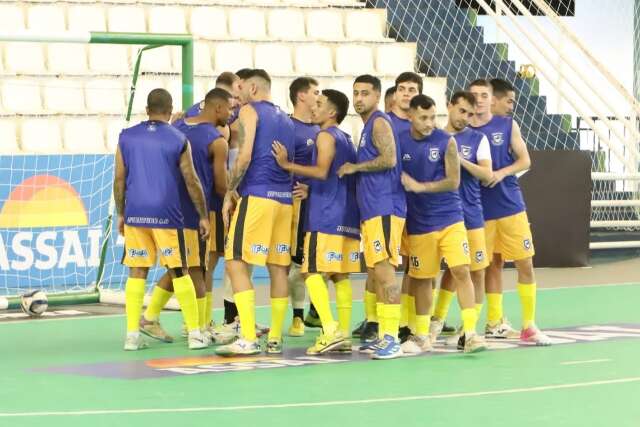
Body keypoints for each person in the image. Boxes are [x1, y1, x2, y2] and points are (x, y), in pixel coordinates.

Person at [113, 88, 210, 350]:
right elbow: (191, 180)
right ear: (170, 111)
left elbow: (119, 179)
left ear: (147, 110)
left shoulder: (126, 137)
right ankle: (195, 334)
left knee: (137, 271)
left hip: (136, 213)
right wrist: (202, 216)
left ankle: (132, 336)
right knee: (180, 271)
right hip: (167, 214)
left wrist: (122, 213)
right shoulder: (178, 138)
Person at [139, 88, 233, 345]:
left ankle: (175, 321)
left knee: (185, 267)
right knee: (199, 268)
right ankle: (196, 327)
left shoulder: (177, 125)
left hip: (170, 208)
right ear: (217, 108)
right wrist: (238, 196)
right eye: (229, 108)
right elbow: (221, 186)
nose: (231, 113)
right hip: (203, 210)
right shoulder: (217, 141)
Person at [215, 69, 296, 356]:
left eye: (239, 87)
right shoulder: (286, 118)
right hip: (283, 200)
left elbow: (245, 155)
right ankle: (274, 337)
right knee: (278, 268)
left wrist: (229, 192)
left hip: (258, 196)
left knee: (235, 261)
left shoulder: (250, 111)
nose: (236, 93)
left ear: (252, 87)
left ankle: (247, 336)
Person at [273, 89, 359, 354]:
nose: (314, 107)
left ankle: (330, 331)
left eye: (319, 104)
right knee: (339, 275)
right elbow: (336, 175)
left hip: (325, 216)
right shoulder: (346, 138)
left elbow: (321, 171)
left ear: (331, 112)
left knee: (309, 271)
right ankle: (342, 333)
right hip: (347, 215)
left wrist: (288, 165)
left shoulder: (324, 135)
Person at [399, 94, 487, 354]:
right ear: (411, 116)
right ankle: (422, 336)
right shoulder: (400, 141)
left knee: (461, 270)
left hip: (450, 217)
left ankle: (470, 333)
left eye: (432, 117)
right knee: (423, 279)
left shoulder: (445, 141)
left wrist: (420, 186)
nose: (429, 123)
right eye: (423, 118)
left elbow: (453, 181)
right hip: (419, 223)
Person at [468, 78, 551, 345]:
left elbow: (525, 159)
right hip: (480, 209)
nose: (479, 100)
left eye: (484, 95)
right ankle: (493, 322)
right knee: (491, 265)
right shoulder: (464, 130)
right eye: (475, 95)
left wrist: (500, 173)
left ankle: (529, 324)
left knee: (525, 262)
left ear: (492, 99)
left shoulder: (506, 125)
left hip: (510, 205)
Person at [337, 74, 405, 360]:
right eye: (356, 93)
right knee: (377, 271)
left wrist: (356, 167)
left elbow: (388, 159)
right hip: (373, 209)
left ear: (377, 96)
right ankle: (383, 334)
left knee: (385, 271)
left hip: (385, 207)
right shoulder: (366, 126)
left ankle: (392, 337)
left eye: (365, 93)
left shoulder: (378, 122)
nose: (359, 98)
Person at [430, 91, 493, 346]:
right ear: (449, 106)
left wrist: (461, 160)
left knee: (475, 272)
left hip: (471, 214)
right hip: (439, 216)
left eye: (471, 113)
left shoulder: (478, 139)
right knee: (442, 272)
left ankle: (469, 330)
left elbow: (487, 174)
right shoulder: (434, 137)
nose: (465, 117)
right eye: (462, 111)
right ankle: (434, 321)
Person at [286, 77, 321, 337]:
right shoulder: (287, 127)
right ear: (301, 96)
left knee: (307, 262)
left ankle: (306, 314)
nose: (319, 97)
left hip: (315, 205)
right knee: (286, 263)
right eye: (315, 92)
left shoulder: (322, 131)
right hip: (289, 204)